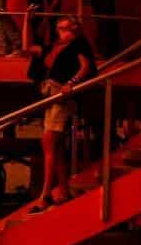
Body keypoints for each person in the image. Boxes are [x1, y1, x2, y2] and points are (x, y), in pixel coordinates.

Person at [23, 12, 96, 213]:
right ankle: (62, 188)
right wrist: (27, 21)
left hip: (61, 97)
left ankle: (45, 194)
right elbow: (27, 48)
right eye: (59, 29)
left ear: (74, 29)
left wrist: (71, 84)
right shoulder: (53, 47)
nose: (61, 32)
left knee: (48, 142)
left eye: (65, 28)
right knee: (56, 148)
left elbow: (86, 66)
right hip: (49, 95)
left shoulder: (78, 44)